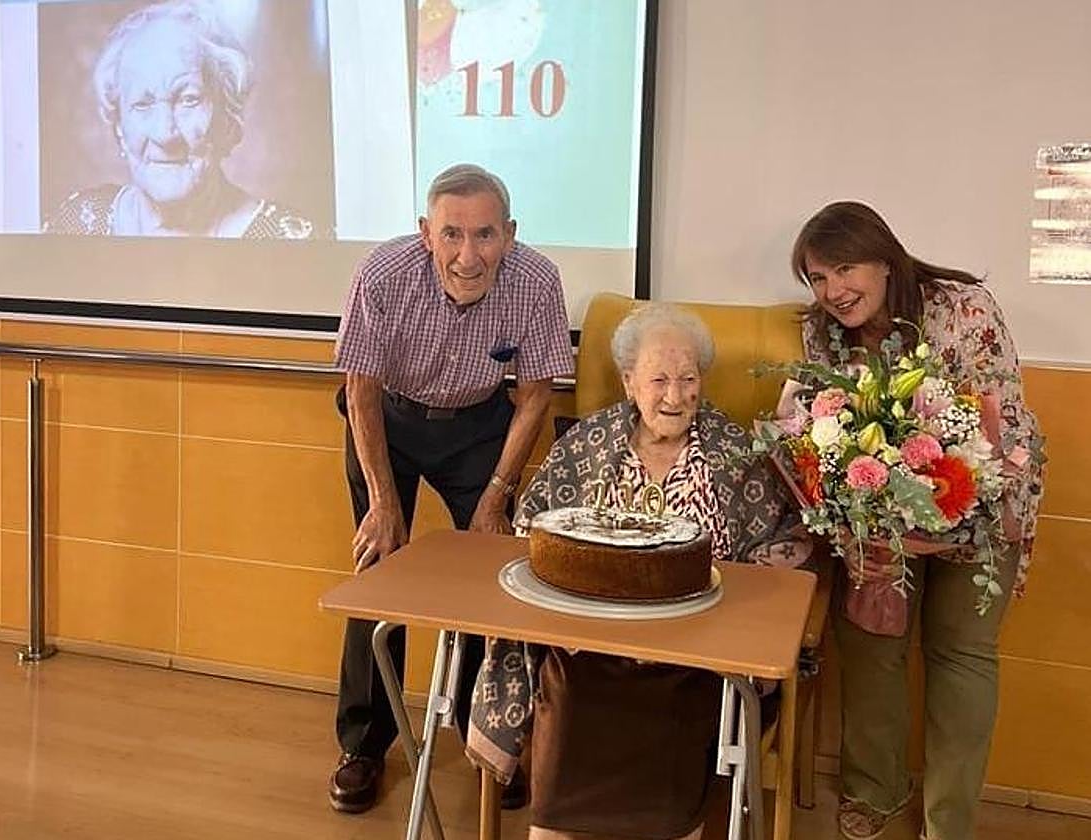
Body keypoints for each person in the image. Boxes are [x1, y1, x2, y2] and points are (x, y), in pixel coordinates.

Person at [468, 303, 814, 840]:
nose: (674, 396)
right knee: (565, 689)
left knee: (677, 711)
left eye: (687, 378)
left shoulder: (735, 452)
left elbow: (783, 539)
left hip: (693, 656)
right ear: (629, 382)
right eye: (658, 380)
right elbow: (533, 531)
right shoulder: (587, 444)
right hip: (587, 649)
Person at [791, 201, 1046, 840]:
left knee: (961, 654)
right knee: (872, 646)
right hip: (880, 518)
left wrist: (938, 530)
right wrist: (853, 523)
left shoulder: (963, 309)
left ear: (885, 261)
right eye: (818, 278)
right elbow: (822, 437)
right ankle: (873, 793)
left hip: (981, 501)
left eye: (845, 269)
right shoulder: (822, 333)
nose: (833, 292)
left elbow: (1002, 429)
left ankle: (948, 821)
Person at [329, 163, 573, 814]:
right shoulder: (383, 276)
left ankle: (484, 733)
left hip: (479, 428)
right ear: (425, 233)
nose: (469, 255)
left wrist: (497, 494)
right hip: (390, 420)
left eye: (487, 235)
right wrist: (384, 504)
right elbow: (361, 392)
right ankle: (363, 745)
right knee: (378, 572)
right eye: (453, 235)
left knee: (489, 585)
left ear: (511, 234)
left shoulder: (537, 281)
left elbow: (537, 395)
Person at [44, 0, 313, 239]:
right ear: (119, 128)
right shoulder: (78, 222)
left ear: (227, 119)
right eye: (142, 103)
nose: (165, 134)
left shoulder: (287, 240)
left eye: (189, 99)